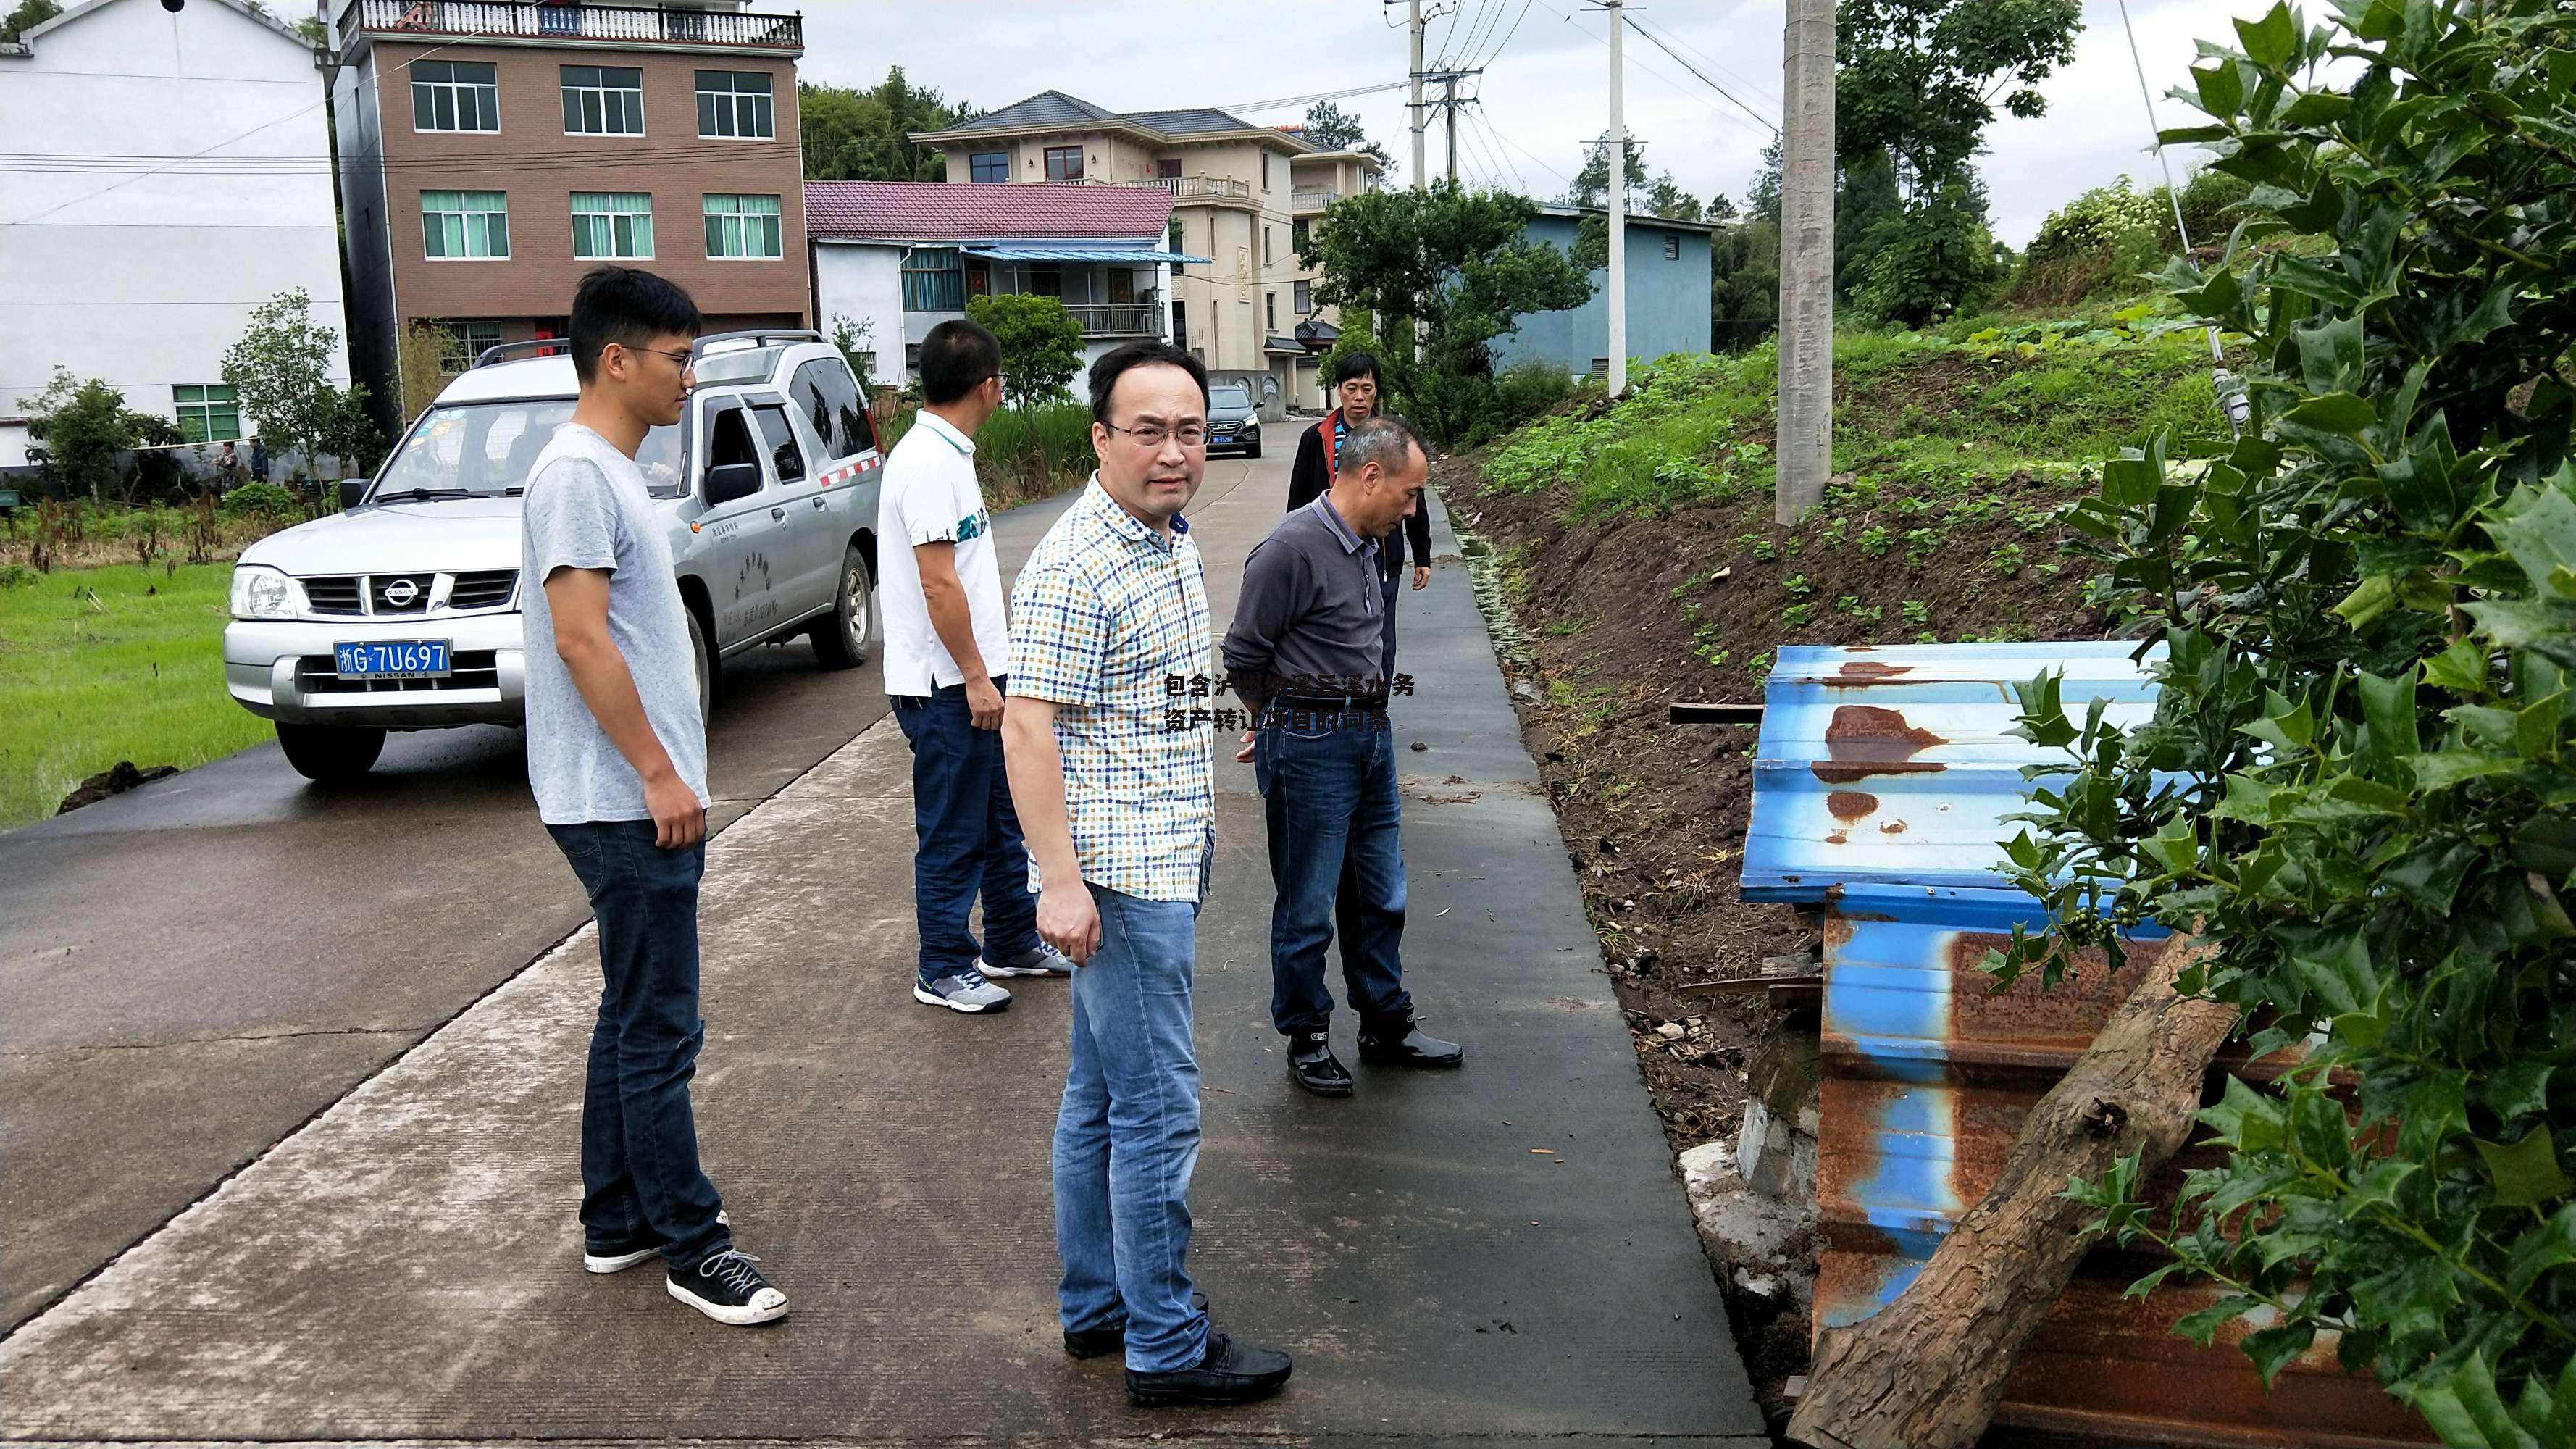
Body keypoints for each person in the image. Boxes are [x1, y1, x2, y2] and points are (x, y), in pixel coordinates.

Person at [1003, 340, 1294, 1408]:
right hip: (1118, 883)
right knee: (1161, 1109)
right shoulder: (1077, 561)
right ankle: (1166, 1347)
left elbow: (1153, 689)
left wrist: (1232, 718)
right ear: (1101, 439)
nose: (1174, 452)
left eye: (1188, 429)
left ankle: (1097, 1305)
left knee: (1100, 1100)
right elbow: (1026, 728)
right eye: (1148, 431)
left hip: (1172, 848)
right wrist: (1058, 881)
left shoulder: (1164, 540)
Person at [520, 265, 787, 1327]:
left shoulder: (611, 470)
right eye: (679, 358)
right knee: (662, 1027)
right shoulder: (578, 476)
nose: (690, 375)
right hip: (621, 800)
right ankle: (694, 1244)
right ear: (617, 359)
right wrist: (658, 771)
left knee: (631, 1014)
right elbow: (581, 636)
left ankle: (617, 1218)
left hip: (626, 793)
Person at [1226, 414, 1463, 1098]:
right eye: (1409, 494)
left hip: (1370, 736)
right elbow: (1245, 653)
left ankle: (1384, 1022)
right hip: (1310, 744)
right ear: (1369, 476)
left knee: (1380, 892)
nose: (1413, 509)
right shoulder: (1290, 549)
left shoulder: (1368, 542)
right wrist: (1272, 720)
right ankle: (1306, 1033)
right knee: (1308, 902)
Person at [879, 319, 1073, 1014]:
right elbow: (938, 584)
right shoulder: (929, 463)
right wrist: (975, 676)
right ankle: (941, 966)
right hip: (946, 688)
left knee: (1001, 820)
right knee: (955, 829)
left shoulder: (946, 452)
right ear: (989, 387)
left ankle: (1013, 940)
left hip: (976, 680)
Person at [1284, 352, 1429, 679]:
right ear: (1339, 390)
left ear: (1377, 391)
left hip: (1383, 554)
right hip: (1331, 553)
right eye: (1352, 388)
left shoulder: (1397, 441)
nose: (1359, 397)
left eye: (1367, 388)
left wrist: (1423, 554)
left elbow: (1414, 495)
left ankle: (1377, 708)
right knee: (1336, 631)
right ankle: (1342, 704)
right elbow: (1298, 500)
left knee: (1382, 637)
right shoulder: (1316, 439)